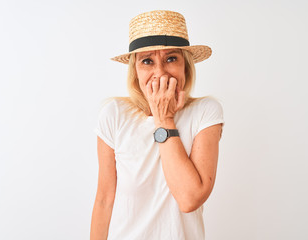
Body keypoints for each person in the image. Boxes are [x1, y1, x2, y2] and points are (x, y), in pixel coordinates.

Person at [90, 10, 225, 240]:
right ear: (135, 70)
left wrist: (164, 119)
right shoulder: (114, 114)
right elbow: (104, 199)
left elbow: (189, 198)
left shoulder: (206, 112)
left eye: (171, 59)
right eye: (147, 61)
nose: (159, 72)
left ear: (186, 66)